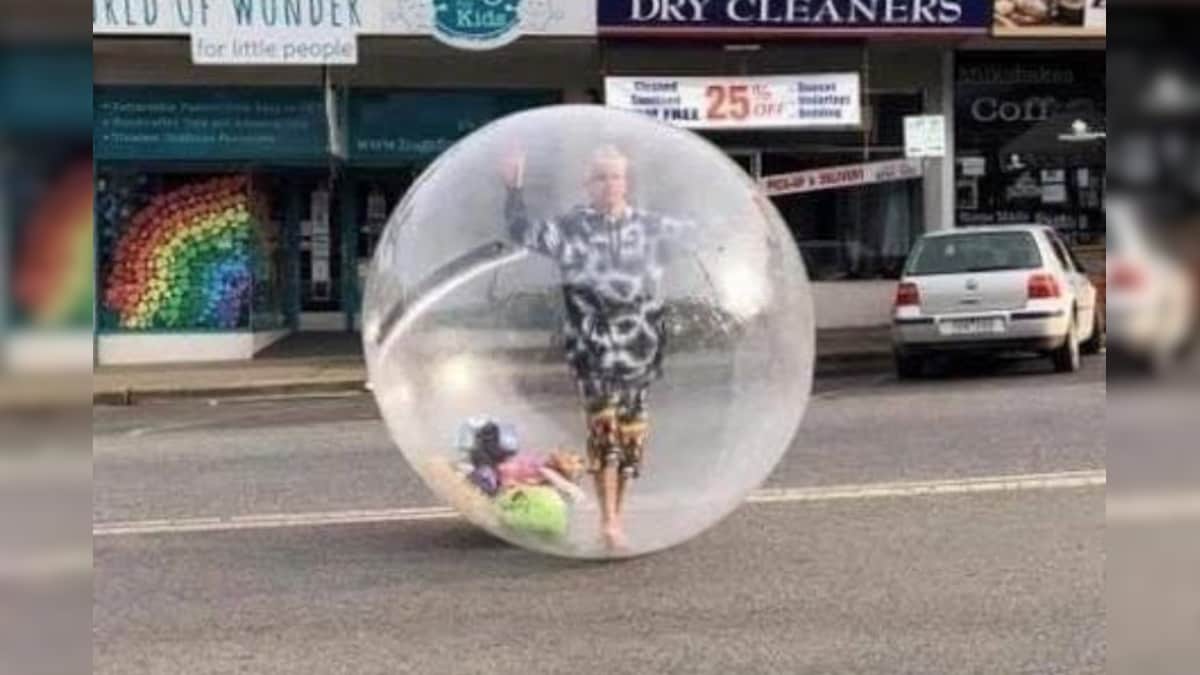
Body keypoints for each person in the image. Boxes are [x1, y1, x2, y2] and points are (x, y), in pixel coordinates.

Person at [500, 144, 693, 550]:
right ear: (587, 185)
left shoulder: (650, 227)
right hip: (593, 349)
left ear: (627, 182)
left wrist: (754, 208)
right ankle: (608, 522)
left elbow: (706, 232)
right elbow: (522, 231)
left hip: (640, 348)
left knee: (632, 437)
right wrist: (514, 188)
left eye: (617, 176)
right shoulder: (572, 228)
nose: (610, 185)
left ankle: (617, 516)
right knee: (603, 431)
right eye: (601, 177)